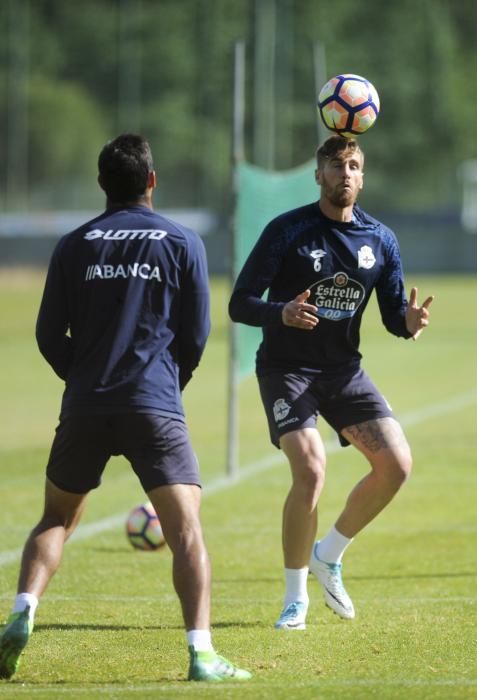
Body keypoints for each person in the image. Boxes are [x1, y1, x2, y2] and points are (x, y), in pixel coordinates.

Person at [0, 134, 251, 682]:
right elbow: (198, 334)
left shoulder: (74, 244)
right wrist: (168, 383)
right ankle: (202, 654)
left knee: (56, 517)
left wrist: (86, 379)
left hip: (86, 404)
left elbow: (47, 334)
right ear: (152, 181)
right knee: (185, 532)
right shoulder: (183, 242)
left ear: (101, 185)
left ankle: (21, 613)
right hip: (154, 403)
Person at [228, 135, 433, 631]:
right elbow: (240, 303)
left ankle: (330, 554)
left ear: (363, 176)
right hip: (286, 371)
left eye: (355, 165)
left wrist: (407, 322)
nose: (346, 173)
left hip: (343, 373)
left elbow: (390, 316)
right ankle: (295, 598)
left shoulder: (380, 240)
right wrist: (282, 312)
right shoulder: (288, 231)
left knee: (396, 464)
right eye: (337, 165)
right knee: (312, 469)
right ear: (318, 174)